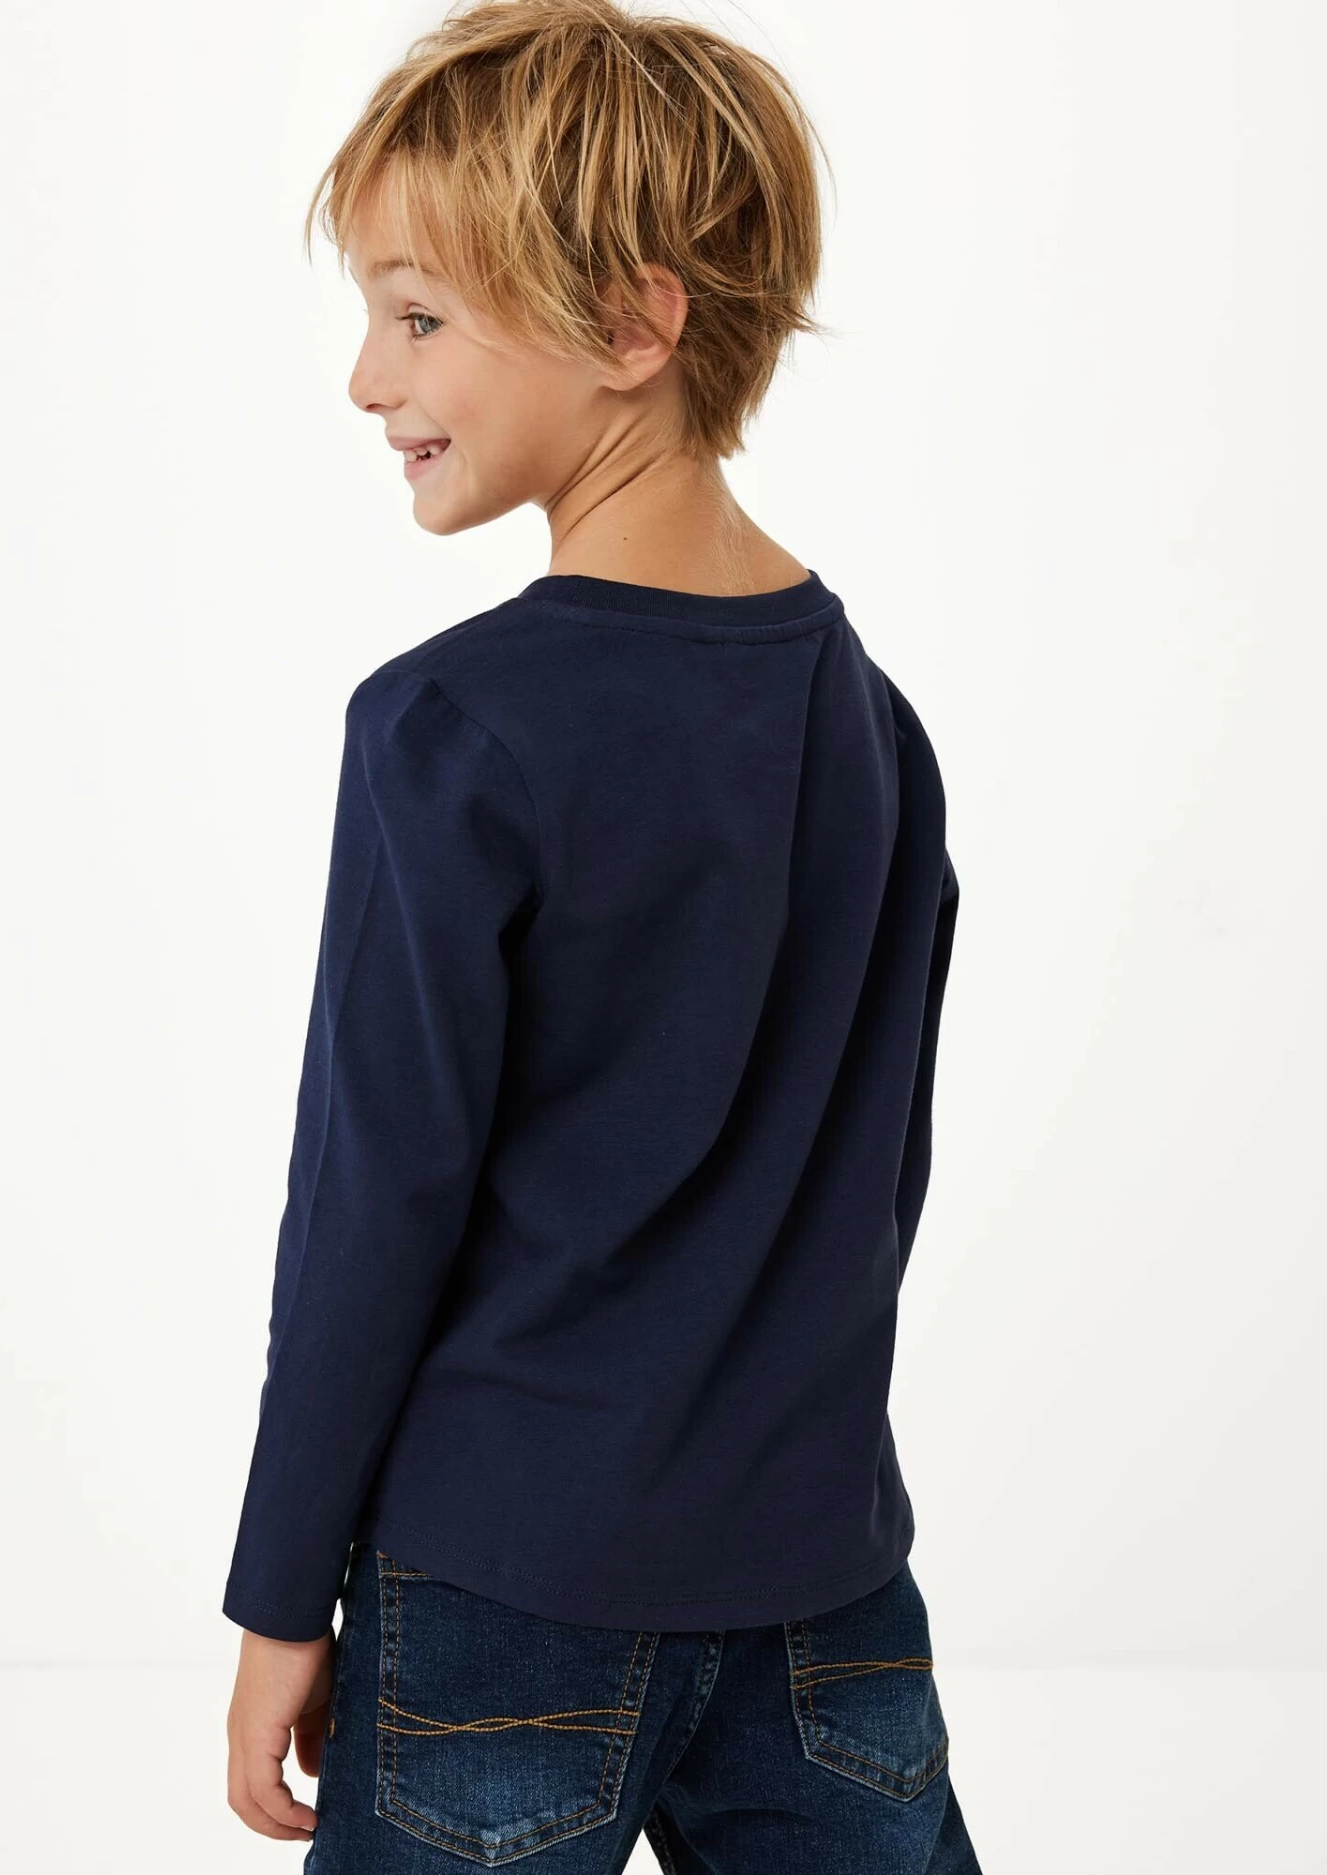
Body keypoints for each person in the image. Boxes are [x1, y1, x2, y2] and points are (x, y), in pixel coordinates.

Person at [222, 2, 982, 1869]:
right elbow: (876, 1187)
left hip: (506, 1592)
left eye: (418, 317)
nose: (366, 377)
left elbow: (372, 1208)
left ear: (637, 326)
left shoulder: (448, 730)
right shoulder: (876, 727)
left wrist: (280, 1591)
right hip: (827, 1592)